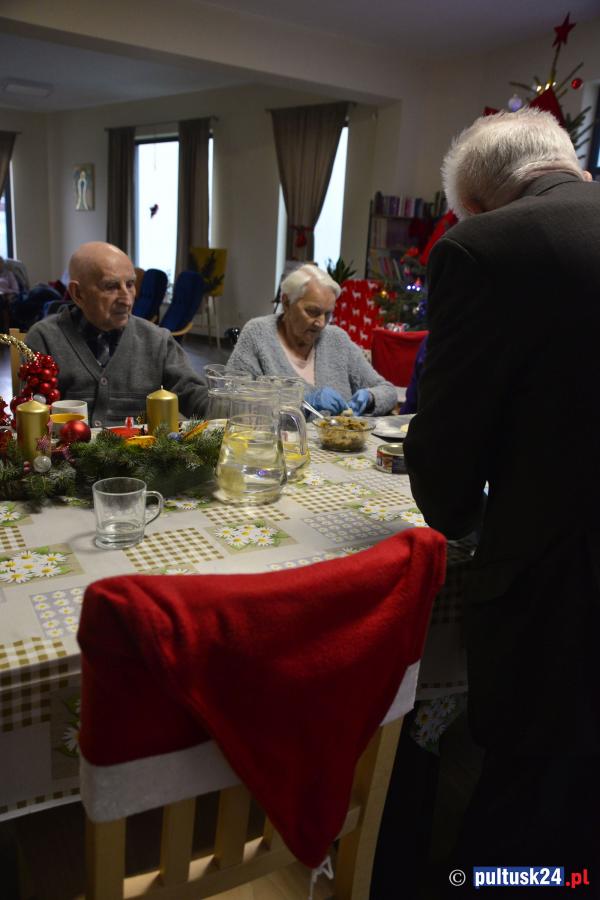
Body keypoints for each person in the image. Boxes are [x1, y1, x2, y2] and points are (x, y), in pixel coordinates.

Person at [403, 108, 600, 875]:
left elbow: (448, 451)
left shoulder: (485, 248)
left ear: (479, 204)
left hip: (562, 573)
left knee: (528, 789)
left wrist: (462, 519)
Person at [26, 241, 208, 427]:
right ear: (78, 293)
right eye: (111, 286)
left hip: (140, 445)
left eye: (130, 284)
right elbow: (32, 416)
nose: (127, 300)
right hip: (67, 445)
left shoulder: (157, 341)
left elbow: (192, 393)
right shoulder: (44, 338)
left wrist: (224, 403)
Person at [226, 264, 397, 415]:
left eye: (328, 314)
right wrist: (302, 404)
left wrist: (370, 397)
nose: (321, 323)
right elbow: (231, 402)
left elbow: (387, 391)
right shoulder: (257, 335)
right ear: (286, 303)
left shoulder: (337, 340)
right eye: (312, 312)